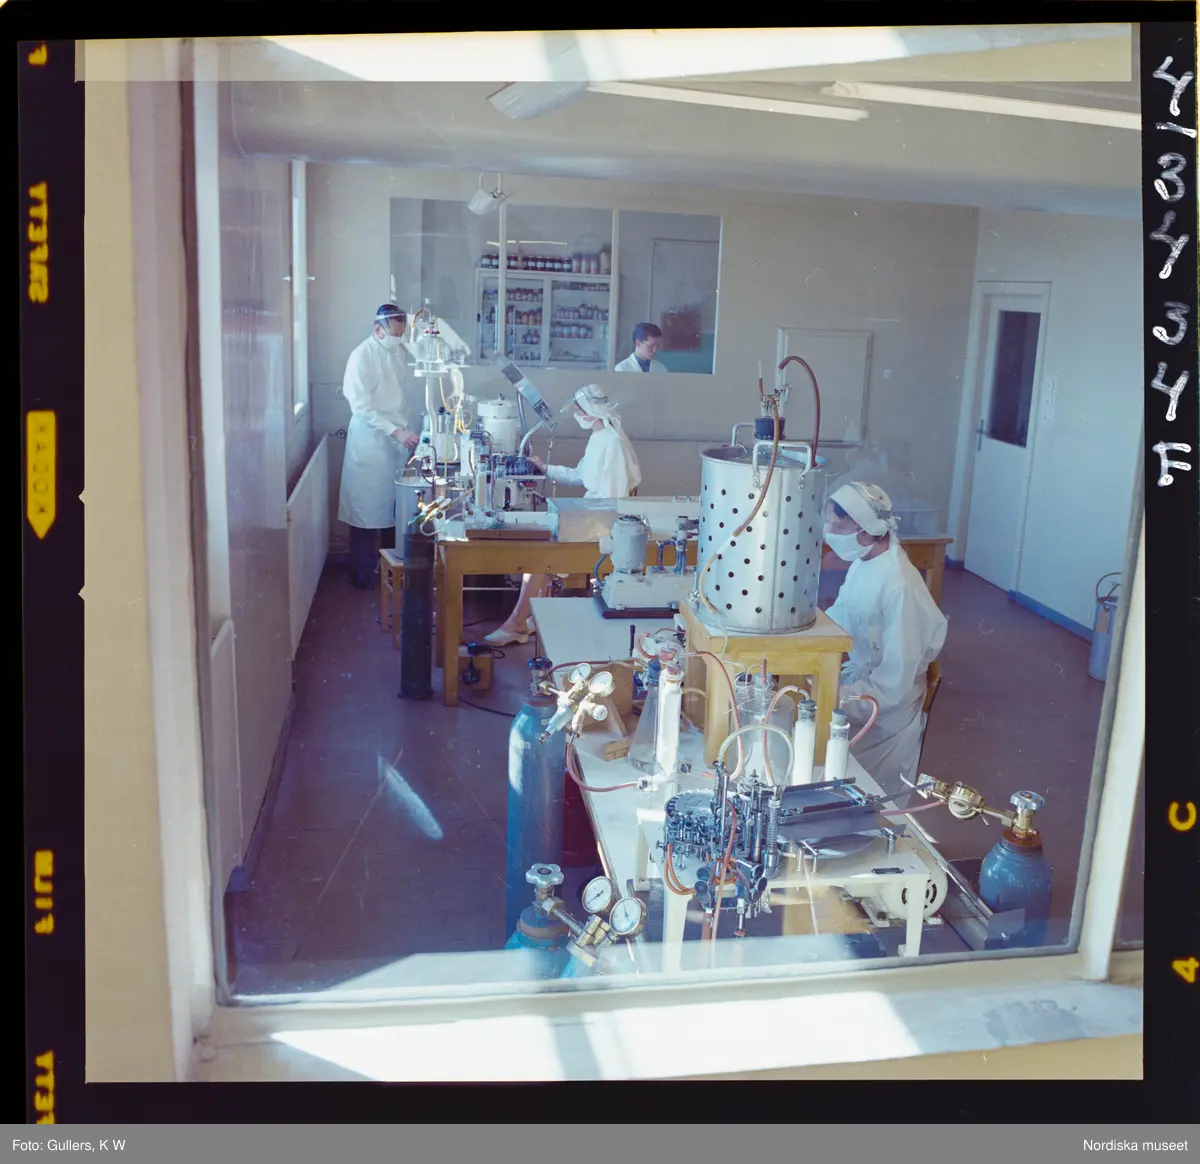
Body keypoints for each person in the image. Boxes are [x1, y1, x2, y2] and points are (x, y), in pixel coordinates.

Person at [484, 385, 642, 646]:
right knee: (542, 544)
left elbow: (612, 500)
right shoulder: (600, 436)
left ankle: (516, 624)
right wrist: (545, 468)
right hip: (591, 515)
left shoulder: (612, 442)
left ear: (590, 411)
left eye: (578, 410)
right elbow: (580, 475)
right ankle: (531, 617)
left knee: (540, 556)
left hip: (604, 524)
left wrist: (574, 518)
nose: (576, 415)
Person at [823, 482, 948, 807]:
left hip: (885, 715)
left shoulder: (898, 586)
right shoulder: (865, 563)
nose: (830, 533)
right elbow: (839, 618)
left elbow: (893, 685)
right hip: (862, 688)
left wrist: (829, 694)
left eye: (839, 527)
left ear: (867, 531)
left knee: (864, 803)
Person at [337, 304, 421, 590]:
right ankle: (361, 572)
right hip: (371, 443)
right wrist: (396, 431)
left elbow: (403, 397)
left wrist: (409, 431)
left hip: (396, 442)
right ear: (377, 330)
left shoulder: (397, 352)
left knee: (394, 510)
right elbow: (361, 407)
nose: (398, 339)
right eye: (394, 334)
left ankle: (391, 569)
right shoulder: (361, 356)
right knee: (366, 511)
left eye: (401, 334)